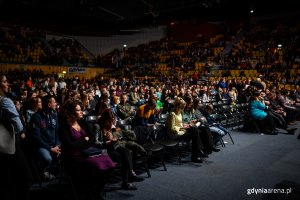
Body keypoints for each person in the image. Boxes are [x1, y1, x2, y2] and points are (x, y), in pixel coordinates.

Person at [58, 99, 115, 200]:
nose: (82, 112)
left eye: (81, 109)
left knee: (110, 164)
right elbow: (70, 145)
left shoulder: (82, 122)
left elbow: (92, 139)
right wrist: (85, 140)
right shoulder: (64, 127)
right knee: (98, 167)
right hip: (75, 157)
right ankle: (93, 192)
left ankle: (96, 190)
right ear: (71, 112)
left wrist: (83, 142)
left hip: (90, 151)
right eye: (78, 110)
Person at [0, 74, 32, 200]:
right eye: (5, 81)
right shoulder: (5, 101)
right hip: (9, 145)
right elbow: (18, 127)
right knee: (25, 179)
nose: (8, 84)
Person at [98, 108, 144, 190]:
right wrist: (107, 141)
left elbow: (117, 137)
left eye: (113, 120)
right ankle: (127, 181)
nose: (112, 122)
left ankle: (131, 174)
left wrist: (114, 135)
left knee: (126, 151)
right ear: (105, 119)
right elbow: (96, 143)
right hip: (105, 150)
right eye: (110, 120)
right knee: (125, 158)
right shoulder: (98, 127)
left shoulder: (111, 126)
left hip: (114, 146)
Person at [165, 97, 207, 163]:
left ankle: (196, 154)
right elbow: (172, 128)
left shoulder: (179, 113)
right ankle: (198, 153)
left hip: (181, 131)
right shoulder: (172, 114)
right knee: (195, 132)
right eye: (182, 107)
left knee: (195, 130)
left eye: (183, 107)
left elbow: (180, 124)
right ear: (177, 106)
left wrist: (187, 124)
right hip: (174, 133)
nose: (183, 109)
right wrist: (183, 127)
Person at [29, 94, 61, 180]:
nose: (56, 104)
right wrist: (50, 148)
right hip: (42, 145)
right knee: (47, 159)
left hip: (54, 145)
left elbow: (57, 132)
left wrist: (57, 145)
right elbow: (36, 137)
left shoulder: (54, 115)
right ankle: (41, 172)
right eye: (54, 102)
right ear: (49, 105)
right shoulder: (36, 117)